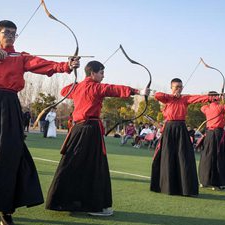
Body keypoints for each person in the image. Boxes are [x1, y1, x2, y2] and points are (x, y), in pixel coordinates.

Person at [0, 20, 80, 225]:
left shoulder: (22, 57)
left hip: (8, 106)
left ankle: (5, 211)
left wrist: (67, 65)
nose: (10, 35)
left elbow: (45, 65)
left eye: (13, 33)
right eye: (6, 32)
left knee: (7, 155)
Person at [45, 61, 150, 216]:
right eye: (101, 72)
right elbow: (113, 89)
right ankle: (94, 206)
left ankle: (64, 201)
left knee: (72, 163)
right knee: (95, 166)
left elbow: (63, 91)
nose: (103, 75)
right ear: (93, 73)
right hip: (90, 130)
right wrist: (138, 91)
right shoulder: (95, 87)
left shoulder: (78, 87)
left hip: (78, 130)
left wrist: (76, 83)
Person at [150, 78, 210, 197]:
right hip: (169, 128)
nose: (179, 89)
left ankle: (186, 188)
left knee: (184, 156)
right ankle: (166, 186)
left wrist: (211, 97)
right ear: (171, 87)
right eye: (176, 87)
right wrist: (173, 96)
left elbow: (198, 98)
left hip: (181, 128)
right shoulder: (167, 98)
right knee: (167, 156)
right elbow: (157, 95)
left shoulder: (185, 98)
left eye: (180, 87)